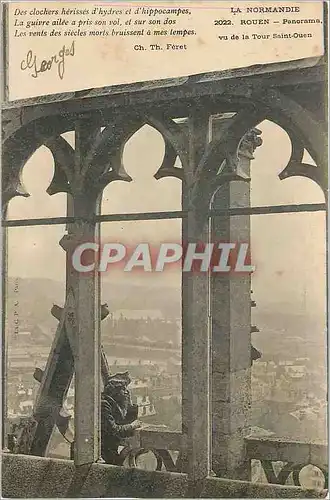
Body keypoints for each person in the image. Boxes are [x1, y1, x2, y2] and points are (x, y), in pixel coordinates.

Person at [101, 371, 141, 465]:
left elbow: (125, 421)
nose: (126, 392)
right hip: (103, 453)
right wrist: (132, 426)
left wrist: (129, 402)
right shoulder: (104, 405)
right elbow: (115, 429)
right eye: (123, 389)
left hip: (109, 451)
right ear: (115, 391)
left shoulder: (113, 403)